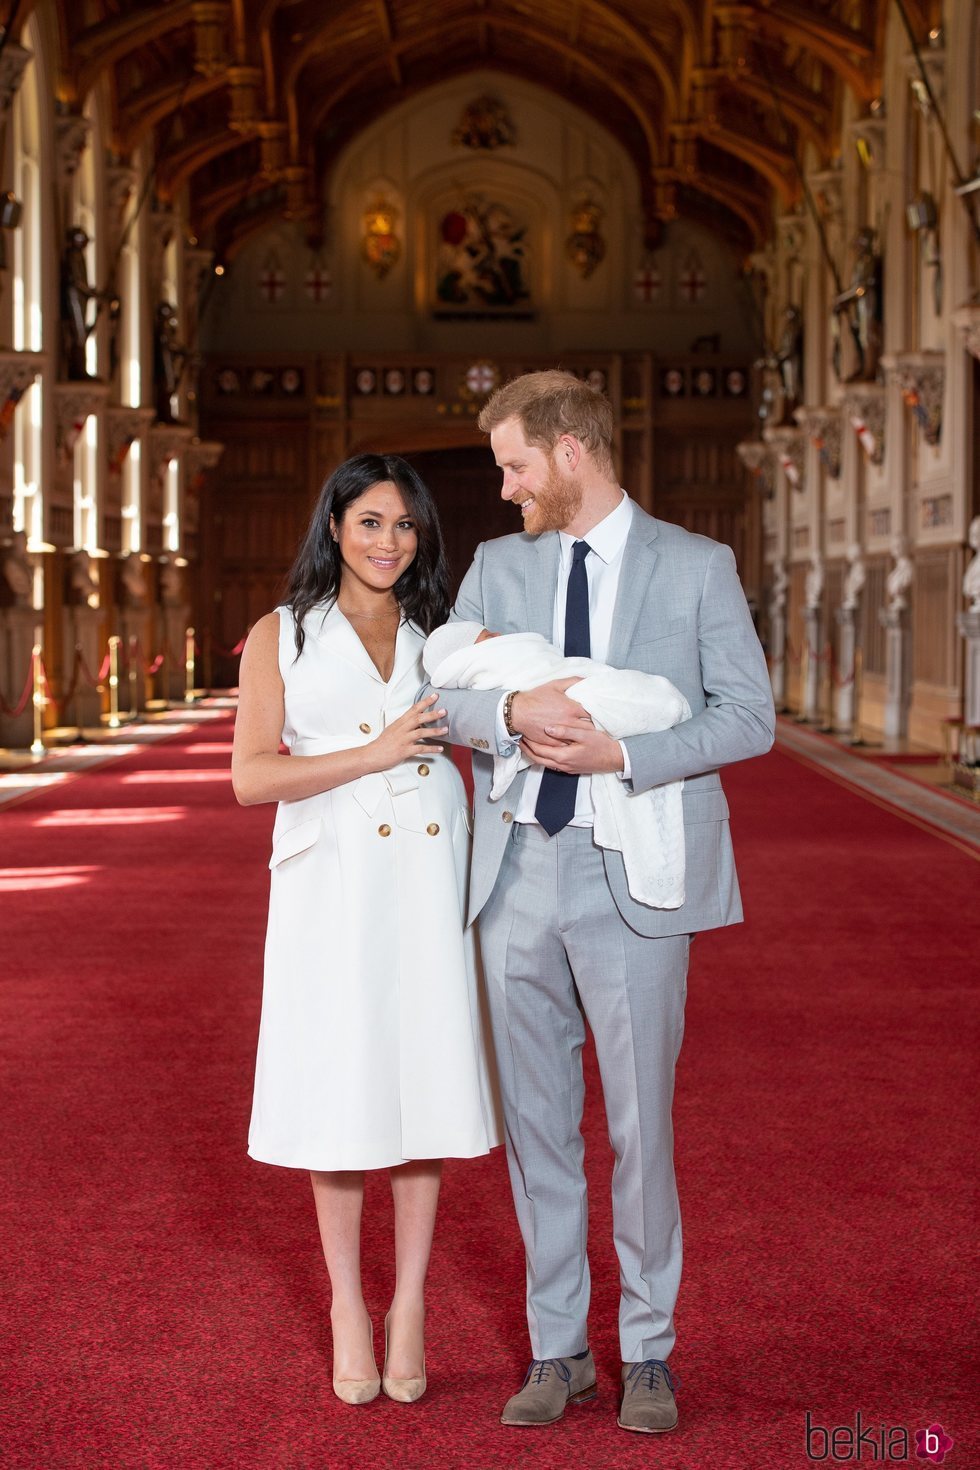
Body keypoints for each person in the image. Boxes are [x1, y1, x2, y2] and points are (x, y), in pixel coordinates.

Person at [422, 370, 775, 1436]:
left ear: (570, 452)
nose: (504, 489)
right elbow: (442, 695)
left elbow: (747, 718)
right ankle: (557, 1348)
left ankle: (649, 1351)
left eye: (515, 465)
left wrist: (623, 748)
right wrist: (511, 705)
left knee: (639, 1128)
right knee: (537, 1131)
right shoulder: (496, 565)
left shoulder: (695, 566)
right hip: (517, 875)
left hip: (635, 878)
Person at [232, 453, 500, 1408]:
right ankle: (350, 1300)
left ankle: (411, 1305)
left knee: (422, 1079)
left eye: (406, 526)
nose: (390, 542)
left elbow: (499, 719)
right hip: (332, 878)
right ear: (335, 527)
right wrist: (374, 751)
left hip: (429, 870)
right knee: (345, 1089)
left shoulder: (445, 635)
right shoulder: (282, 635)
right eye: (371, 522)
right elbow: (253, 777)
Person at [422, 620, 691, 907]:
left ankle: (660, 703)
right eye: (488, 637)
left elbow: (743, 711)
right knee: (610, 699)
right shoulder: (486, 586)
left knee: (626, 695)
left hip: (610, 839)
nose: (500, 636)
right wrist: (513, 712)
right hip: (515, 849)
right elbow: (430, 701)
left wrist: (619, 755)